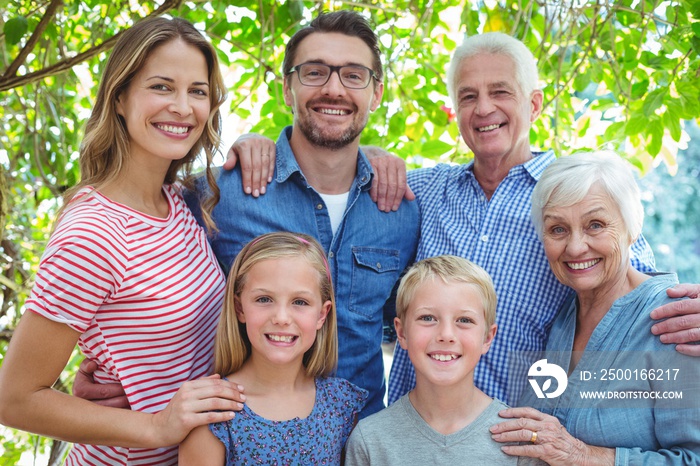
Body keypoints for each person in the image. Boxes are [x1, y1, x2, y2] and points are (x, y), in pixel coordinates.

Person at [73, 10, 419, 418]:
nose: (333, 88)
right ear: (287, 88)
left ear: (376, 94)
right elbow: (147, 272)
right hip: (243, 444)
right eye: (314, 72)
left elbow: (407, 328)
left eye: (354, 75)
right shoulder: (221, 194)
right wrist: (127, 375)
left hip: (363, 446)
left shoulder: (400, 208)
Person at [0, 17, 244, 465]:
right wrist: (155, 425)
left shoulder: (176, 202)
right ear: (119, 98)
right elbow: (14, 398)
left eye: (197, 91)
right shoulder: (93, 234)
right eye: (161, 87)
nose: (183, 107)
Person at [490, 151, 700, 465]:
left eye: (596, 225)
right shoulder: (561, 316)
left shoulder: (675, 322)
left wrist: (581, 455)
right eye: (558, 229)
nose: (575, 247)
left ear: (632, 228)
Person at [179, 232, 367, 464]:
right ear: (239, 308)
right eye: (264, 299)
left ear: (322, 315)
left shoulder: (340, 403)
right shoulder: (214, 411)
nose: (281, 317)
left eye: (300, 302)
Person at [346, 255, 524, 465]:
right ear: (401, 333)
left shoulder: (518, 441)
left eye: (464, 320)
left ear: (487, 338)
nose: (446, 334)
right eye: (428, 318)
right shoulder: (370, 440)